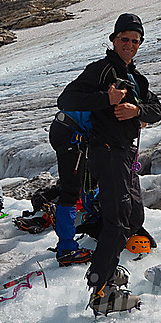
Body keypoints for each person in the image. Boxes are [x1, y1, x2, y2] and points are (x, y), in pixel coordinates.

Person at [57, 13, 161, 315]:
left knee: (127, 214)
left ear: (140, 43)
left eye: (135, 40)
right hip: (106, 151)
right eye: (124, 39)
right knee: (115, 220)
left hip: (125, 152)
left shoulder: (138, 78)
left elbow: (157, 109)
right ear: (114, 40)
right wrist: (107, 98)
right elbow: (66, 100)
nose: (129, 44)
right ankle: (101, 290)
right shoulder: (101, 70)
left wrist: (136, 111)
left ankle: (107, 273)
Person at [48, 109, 96, 266]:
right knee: (70, 191)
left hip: (66, 130)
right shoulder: (112, 99)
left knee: (78, 184)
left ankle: (91, 219)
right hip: (70, 135)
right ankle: (67, 249)